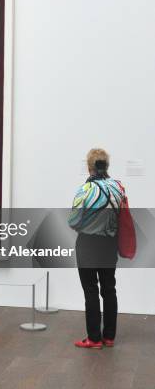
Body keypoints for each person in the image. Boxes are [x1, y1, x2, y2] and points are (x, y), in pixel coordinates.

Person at [68, 148, 125, 349]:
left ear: (89, 166)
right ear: (106, 165)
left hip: (88, 245)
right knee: (109, 289)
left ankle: (93, 338)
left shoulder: (85, 191)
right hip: (110, 245)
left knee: (90, 290)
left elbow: (73, 222)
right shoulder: (118, 188)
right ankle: (109, 337)